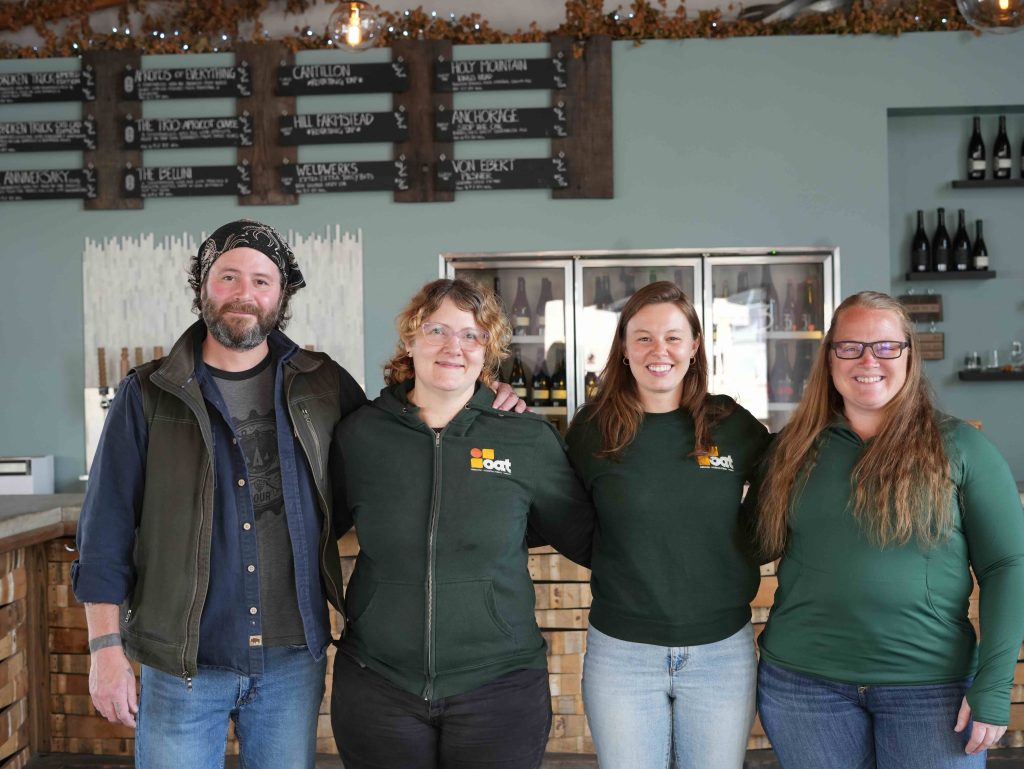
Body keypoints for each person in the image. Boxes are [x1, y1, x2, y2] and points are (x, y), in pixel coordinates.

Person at [71, 220, 523, 768]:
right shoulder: (147, 393)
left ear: (281, 296)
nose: (245, 294)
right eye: (228, 277)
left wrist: (483, 395)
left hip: (291, 661)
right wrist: (105, 650)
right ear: (202, 287)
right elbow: (105, 529)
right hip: (183, 665)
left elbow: (403, 430)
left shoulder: (322, 382)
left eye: (262, 281)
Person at [748, 291, 1024, 769]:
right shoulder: (789, 451)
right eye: (850, 346)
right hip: (804, 688)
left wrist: (995, 686)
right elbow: (750, 546)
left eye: (885, 346)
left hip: (930, 690)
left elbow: (1007, 566)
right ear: (830, 358)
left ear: (909, 355)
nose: (868, 359)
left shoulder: (962, 447)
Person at [329, 278, 594, 769]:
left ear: (486, 351)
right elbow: (317, 527)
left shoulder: (526, 439)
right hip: (378, 685)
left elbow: (585, 538)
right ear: (410, 340)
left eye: (471, 335)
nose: (454, 347)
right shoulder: (360, 434)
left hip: (499, 688)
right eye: (437, 331)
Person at [565, 281, 770, 769]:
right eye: (643, 337)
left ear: (695, 346)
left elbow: (786, 489)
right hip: (622, 653)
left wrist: (741, 549)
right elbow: (566, 517)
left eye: (674, 337)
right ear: (624, 347)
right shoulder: (592, 429)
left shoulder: (731, 424)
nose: (660, 350)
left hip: (722, 651)